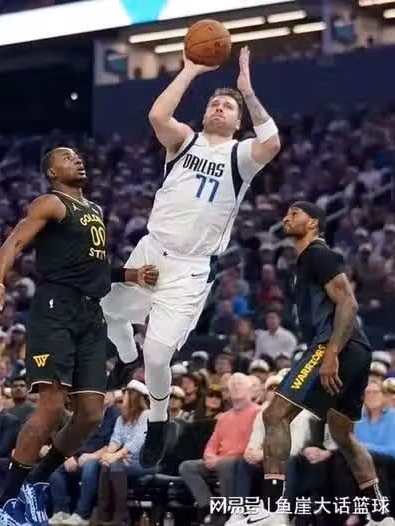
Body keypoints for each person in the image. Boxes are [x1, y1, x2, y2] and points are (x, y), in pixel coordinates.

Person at [101, 45, 281, 467]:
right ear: (204, 114)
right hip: (152, 250)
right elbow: (157, 117)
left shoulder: (241, 155)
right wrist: (187, 71)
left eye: (228, 107)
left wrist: (247, 92)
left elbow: (272, 142)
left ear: (238, 122)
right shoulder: (185, 141)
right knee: (106, 311)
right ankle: (126, 358)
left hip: (190, 268)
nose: (219, 108)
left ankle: (158, 421)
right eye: (215, 103)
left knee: (158, 356)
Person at [0, 147, 159, 525]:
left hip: (91, 313)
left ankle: (36, 482)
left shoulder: (94, 210)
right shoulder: (51, 203)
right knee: (51, 408)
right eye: (66, 157)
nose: (77, 160)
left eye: (78, 156)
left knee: (91, 414)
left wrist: (130, 275)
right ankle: (5, 503)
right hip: (55, 308)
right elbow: (14, 242)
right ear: (51, 172)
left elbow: (94, 268)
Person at [235, 202, 394, 526]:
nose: (286, 218)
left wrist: (331, 353)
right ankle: (380, 514)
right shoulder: (306, 260)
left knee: (274, 414)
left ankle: (272, 508)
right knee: (343, 434)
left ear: (314, 223)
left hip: (334, 345)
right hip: (356, 349)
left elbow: (348, 303)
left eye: (295, 213)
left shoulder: (317, 253)